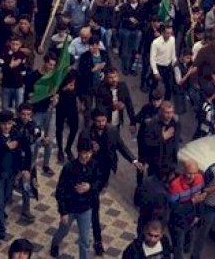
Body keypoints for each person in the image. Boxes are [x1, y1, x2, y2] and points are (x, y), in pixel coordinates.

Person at [82, 108, 143, 254]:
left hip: (104, 170)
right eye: (98, 121)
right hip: (90, 172)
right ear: (94, 121)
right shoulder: (86, 133)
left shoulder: (112, 130)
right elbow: (81, 151)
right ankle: (98, 241)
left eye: (103, 120)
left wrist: (133, 160)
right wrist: (90, 148)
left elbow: (121, 146)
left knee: (94, 199)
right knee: (94, 206)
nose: (101, 124)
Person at [50, 138, 106, 259]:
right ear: (79, 152)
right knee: (63, 231)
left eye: (89, 153)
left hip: (86, 208)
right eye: (84, 153)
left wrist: (90, 187)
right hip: (70, 208)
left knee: (85, 240)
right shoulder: (69, 167)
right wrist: (63, 212)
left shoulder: (94, 165)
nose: (87, 156)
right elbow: (60, 191)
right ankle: (54, 244)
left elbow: (99, 182)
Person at [0, 110, 31, 245]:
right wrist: (5, 147)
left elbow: (27, 152)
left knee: (6, 198)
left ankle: (0, 212)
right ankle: (1, 231)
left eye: (9, 123)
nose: (6, 126)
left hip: (11, 174)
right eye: (3, 124)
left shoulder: (18, 135)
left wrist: (26, 169)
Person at [150, 25, 176, 101]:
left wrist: (174, 63)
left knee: (168, 87)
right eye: (167, 33)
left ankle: (166, 103)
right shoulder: (155, 43)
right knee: (154, 87)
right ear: (162, 33)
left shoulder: (172, 39)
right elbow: (152, 58)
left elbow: (173, 52)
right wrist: (155, 72)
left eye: (170, 33)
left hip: (168, 66)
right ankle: (151, 102)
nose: (169, 35)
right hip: (158, 66)